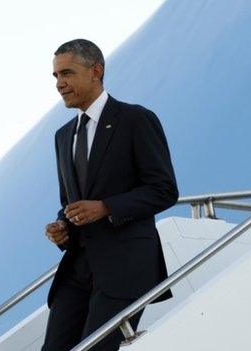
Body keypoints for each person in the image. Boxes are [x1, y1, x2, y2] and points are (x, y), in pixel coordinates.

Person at [42, 39, 178, 351]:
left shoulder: (135, 120)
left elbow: (164, 190)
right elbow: (70, 202)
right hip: (77, 269)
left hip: (125, 266)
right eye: (56, 77)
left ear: (96, 71)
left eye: (67, 73)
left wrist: (106, 207)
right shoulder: (63, 137)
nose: (60, 84)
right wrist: (63, 226)